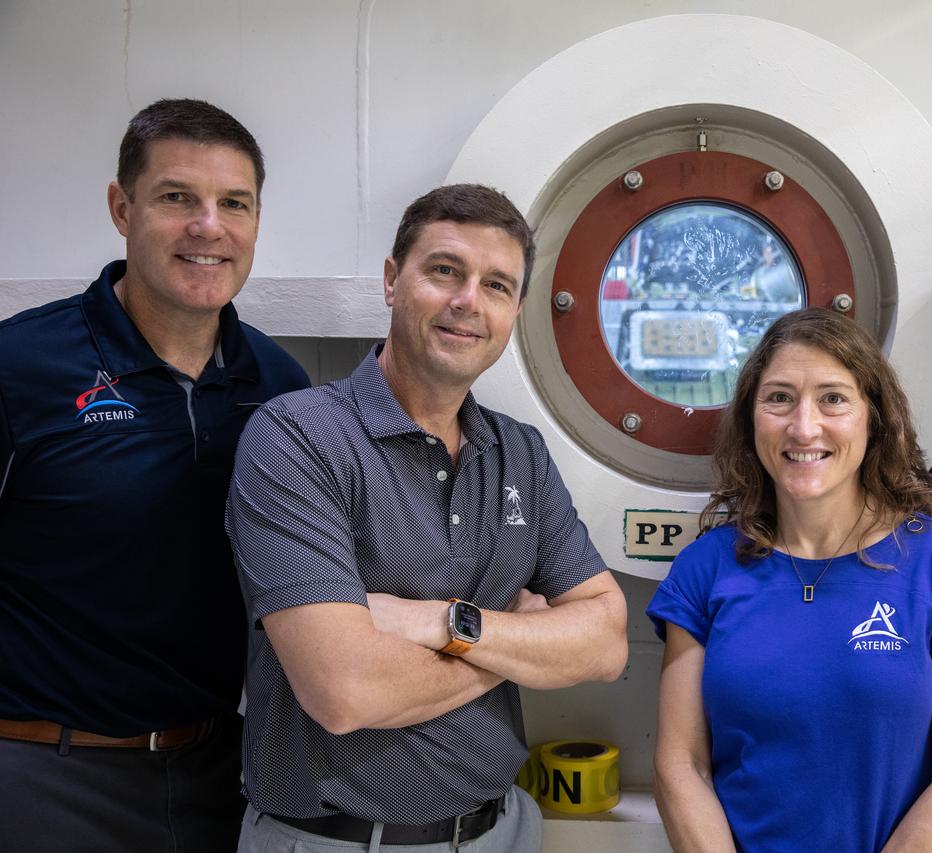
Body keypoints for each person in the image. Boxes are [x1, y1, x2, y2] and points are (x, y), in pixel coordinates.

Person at [227, 183, 629, 853]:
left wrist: (444, 623)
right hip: (335, 841)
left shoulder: (519, 452)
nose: (469, 300)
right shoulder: (297, 439)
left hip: (500, 830)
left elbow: (607, 640)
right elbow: (343, 690)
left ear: (515, 310)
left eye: (496, 285)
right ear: (392, 280)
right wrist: (520, 645)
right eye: (445, 270)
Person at [0, 99, 310, 851]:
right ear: (121, 206)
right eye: (177, 198)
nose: (209, 226)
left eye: (233, 203)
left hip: (219, 778)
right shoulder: (20, 366)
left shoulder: (281, 385)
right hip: (42, 775)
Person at [647, 308, 932, 852]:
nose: (803, 427)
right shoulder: (706, 568)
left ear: (874, 416)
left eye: (833, 398)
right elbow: (681, 767)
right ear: (752, 419)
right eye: (778, 398)